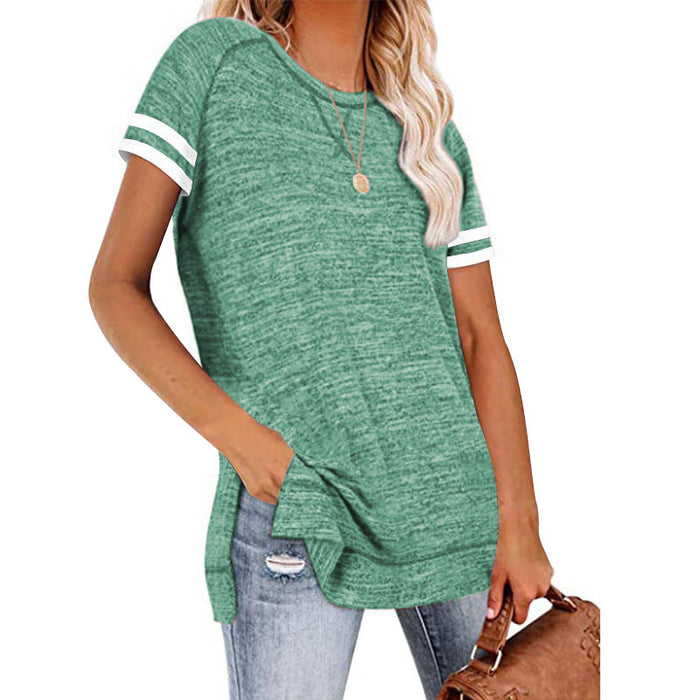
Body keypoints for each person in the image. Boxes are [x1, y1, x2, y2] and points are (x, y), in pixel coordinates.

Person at [89, 1, 554, 698]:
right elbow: (115, 286)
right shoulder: (215, 65)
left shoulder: (428, 132)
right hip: (304, 507)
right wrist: (247, 444)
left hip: (458, 514)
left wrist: (520, 523)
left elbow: (479, 335)